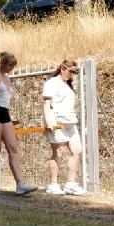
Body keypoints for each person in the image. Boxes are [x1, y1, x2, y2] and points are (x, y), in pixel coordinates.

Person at [0, 52, 36, 195]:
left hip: (4, 112)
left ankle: (20, 184)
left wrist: (4, 115)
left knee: (12, 147)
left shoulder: (7, 78)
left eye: (13, 65)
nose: (11, 68)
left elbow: (4, 99)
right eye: (10, 65)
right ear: (3, 63)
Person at [43, 60, 86, 196]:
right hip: (56, 120)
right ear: (63, 68)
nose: (72, 74)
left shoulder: (67, 85)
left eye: (74, 72)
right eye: (70, 71)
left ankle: (70, 185)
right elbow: (47, 103)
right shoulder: (52, 83)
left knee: (76, 150)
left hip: (69, 121)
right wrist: (49, 121)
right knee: (58, 152)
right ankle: (53, 185)